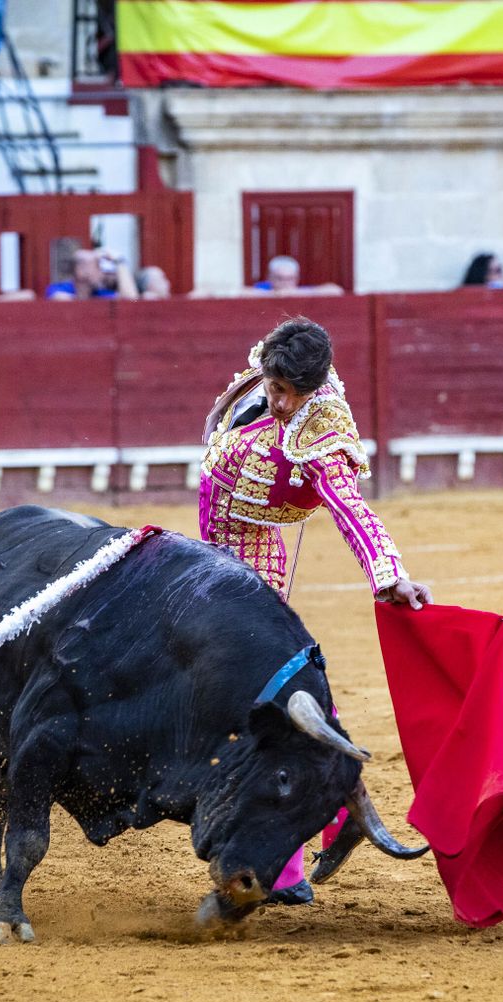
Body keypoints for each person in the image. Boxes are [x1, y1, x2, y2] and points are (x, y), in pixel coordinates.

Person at [199, 317, 432, 905]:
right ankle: (337, 812)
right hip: (222, 540)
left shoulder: (324, 437)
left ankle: (295, 854)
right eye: (270, 387)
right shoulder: (282, 372)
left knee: (262, 692)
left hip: (245, 548)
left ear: (310, 387)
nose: (273, 399)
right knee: (265, 685)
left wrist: (389, 575)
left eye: (283, 393)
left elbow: (353, 512)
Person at [45, 247, 137, 300]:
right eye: (97, 264)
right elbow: (61, 299)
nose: (102, 272)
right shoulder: (58, 289)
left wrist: (119, 261)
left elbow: (131, 300)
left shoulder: (100, 293)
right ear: (80, 271)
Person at [252, 254, 343, 295]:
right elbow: (242, 292)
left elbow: (336, 290)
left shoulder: (301, 291)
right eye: (280, 278)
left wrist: (296, 293)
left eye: (290, 278)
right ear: (270, 278)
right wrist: (273, 294)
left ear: (297, 278)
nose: (285, 283)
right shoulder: (263, 288)